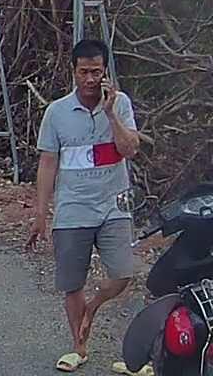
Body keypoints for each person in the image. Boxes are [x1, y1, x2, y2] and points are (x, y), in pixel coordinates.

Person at [27, 39, 143, 372]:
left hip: (114, 206)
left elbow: (130, 149)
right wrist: (40, 213)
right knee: (71, 283)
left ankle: (93, 307)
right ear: (74, 72)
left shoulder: (120, 104)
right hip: (73, 209)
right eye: (84, 72)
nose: (90, 79)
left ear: (105, 72)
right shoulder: (56, 112)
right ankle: (79, 347)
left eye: (96, 72)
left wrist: (110, 113)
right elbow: (47, 163)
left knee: (123, 273)